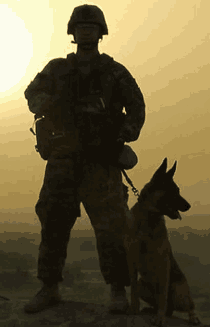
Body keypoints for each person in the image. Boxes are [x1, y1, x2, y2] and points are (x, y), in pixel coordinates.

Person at [24, 4, 145, 314]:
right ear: (73, 32)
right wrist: (50, 104)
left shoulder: (114, 72)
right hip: (63, 160)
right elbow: (32, 93)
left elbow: (136, 107)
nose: (87, 31)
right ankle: (49, 288)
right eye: (81, 26)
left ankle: (118, 293)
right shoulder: (57, 69)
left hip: (101, 162)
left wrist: (123, 133)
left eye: (92, 27)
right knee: (53, 224)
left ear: (101, 33)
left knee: (111, 228)